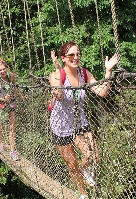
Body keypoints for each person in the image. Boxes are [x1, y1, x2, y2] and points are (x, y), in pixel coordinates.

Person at [49, 41, 118, 199]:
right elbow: (59, 96)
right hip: (61, 125)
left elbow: (102, 92)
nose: (75, 57)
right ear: (63, 58)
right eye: (71, 55)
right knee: (72, 164)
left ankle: (85, 170)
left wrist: (108, 72)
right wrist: (59, 70)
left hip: (79, 121)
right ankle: (83, 195)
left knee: (94, 156)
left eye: (78, 54)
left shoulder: (84, 74)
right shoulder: (55, 75)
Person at [0, 57, 27, 161]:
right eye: (0, 70)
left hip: (10, 104)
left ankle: (13, 151)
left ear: (6, 68)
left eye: (4, 69)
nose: (3, 71)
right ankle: (2, 143)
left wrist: (21, 96)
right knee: (0, 128)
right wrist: (2, 99)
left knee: (12, 127)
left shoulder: (11, 76)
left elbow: (14, 87)